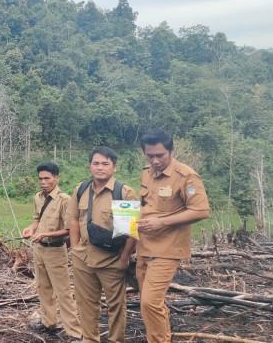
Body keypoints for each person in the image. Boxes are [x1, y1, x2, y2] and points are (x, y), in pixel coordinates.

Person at [137, 130, 210, 343]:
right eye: (150, 156)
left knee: (150, 302)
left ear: (171, 151)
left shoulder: (186, 176)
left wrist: (162, 222)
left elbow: (201, 210)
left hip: (167, 249)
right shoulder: (146, 173)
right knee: (149, 303)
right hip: (144, 246)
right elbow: (146, 205)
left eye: (160, 155)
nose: (155, 161)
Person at [66, 147, 138, 343]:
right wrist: (75, 248)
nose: (100, 168)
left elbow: (131, 231)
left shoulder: (123, 193)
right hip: (83, 259)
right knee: (86, 305)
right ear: (90, 166)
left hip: (112, 260)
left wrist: (124, 258)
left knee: (116, 307)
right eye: (95, 163)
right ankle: (90, 339)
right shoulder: (81, 189)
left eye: (105, 164)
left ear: (114, 167)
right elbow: (73, 219)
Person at [22, 162, 81, 339]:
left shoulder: (65, 200)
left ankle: (75, 332)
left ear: (56, 178)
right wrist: (30, 229)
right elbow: (36, 219)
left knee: (63, 292)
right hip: (39, 249)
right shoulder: (38, 197)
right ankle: (49, 322)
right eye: (40, 179)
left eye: (47, 178)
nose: (43, 182)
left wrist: (45, 234)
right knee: (43, 288)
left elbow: (69, 230)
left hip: (55, 251)